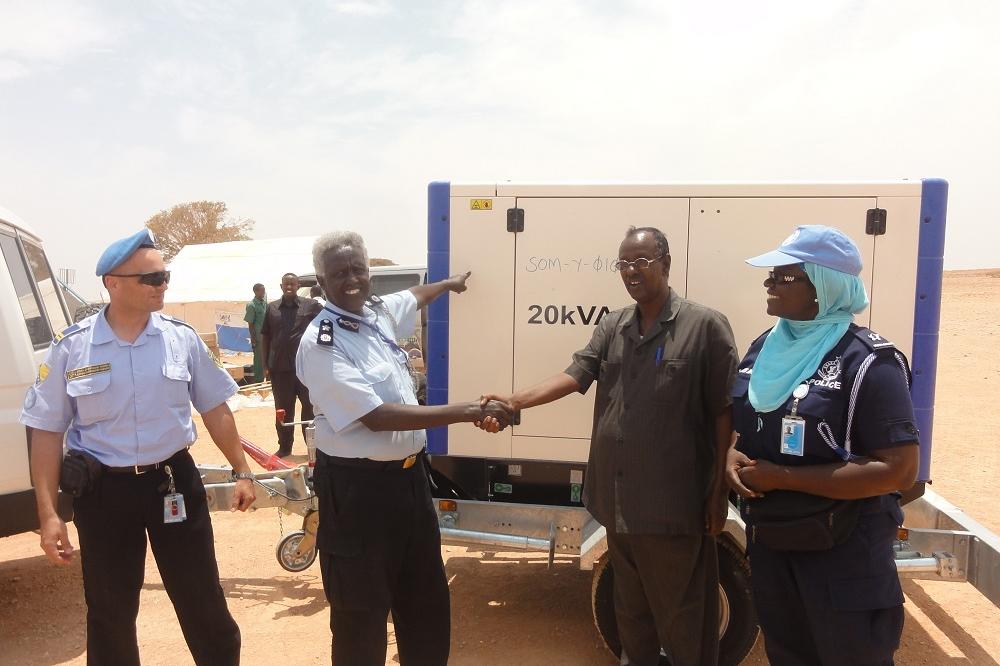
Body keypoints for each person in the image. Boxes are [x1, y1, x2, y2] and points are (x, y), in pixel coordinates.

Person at [480, 226, 738, 666]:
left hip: (673, 510)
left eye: (642, 261)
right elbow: (574, 375)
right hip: (618, 504)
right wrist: (514, 400)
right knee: (631, 616)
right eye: (624, 263)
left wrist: (718, 493)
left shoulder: (705, 326)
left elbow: (724, 413)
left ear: (666, 263)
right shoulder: (613, 325)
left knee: (685, 622)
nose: (631, 271)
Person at [19, 228, 257, 666]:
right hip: (104, 493)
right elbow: (46, 431)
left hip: (172, 482)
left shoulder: (181, 338)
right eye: (151, 279)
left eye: (165, 276)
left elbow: (214, 407)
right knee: (110, 612)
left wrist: (241, 470)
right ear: (113, 283)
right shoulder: (73, 348)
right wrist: (48, 514)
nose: (162, 285)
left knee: (203, 601)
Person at [296, 230, 512, 666]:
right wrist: (470, 410)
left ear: (369, 271)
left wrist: (448, 283)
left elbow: (413, 296)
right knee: (360, 619)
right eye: (339, 274)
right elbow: (377, 416)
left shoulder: (375, 313)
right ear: (321, 281)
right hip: (357, 494)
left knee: (425, 606)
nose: (352, 280)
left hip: (410, 486)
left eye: (358, 269)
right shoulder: (322, 342)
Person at [725, 225, 919, 665]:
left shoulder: (869, 361)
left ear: (824, 287)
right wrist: (731, 453)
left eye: (783, 277)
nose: (769, 284)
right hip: (775, 546)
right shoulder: (765, 348)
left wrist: (782, 477)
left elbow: (899, 470)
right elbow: (748, 424)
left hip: (844, 557)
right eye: (770, 275)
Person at [260, 272, 322, 456]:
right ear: (281, 286)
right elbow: (265, 336)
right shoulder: (271, 308)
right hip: (280, 370)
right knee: (283, 411)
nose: (289, 287)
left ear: (298, 286)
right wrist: (265, 364)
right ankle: (285, 447)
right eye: (286, 284)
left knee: (310, 410)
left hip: (306, 369)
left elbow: (327, 324)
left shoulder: (310, 306)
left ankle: (313, 448)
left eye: (292, 284)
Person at [244, 282, 266, 383]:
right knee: (259, 360)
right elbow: (250, 324)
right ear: (255, 291)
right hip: (258, 337)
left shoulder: (265, 304)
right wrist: (253, 339)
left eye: (264, 290)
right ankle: (258, 381)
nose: (263, 292)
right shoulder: (251, 305)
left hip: (267, 336)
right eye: (262, 290)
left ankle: (269, 380)